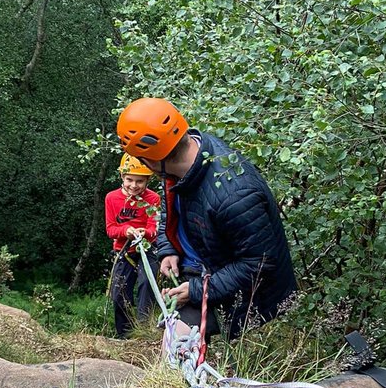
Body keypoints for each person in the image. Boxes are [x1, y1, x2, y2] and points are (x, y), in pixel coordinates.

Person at [116, 97, 296, 340]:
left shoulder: (234, 196)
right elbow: (172, 205)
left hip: (240, 288)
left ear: (155, 159)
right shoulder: (189, 156)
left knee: (175, 342)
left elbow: (260, 263)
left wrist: (197, 290)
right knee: (176, 338)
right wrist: (168, 249)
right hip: (204, 266)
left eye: (141, 159)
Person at [104, 154, 160, 338]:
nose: (134, 185)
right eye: (129, 180)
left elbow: (154, 227)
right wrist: (126, 230)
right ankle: (125, 334)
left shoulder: (153, 199)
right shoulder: (111, 198)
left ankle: (144, 330)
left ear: (147, 180)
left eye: (140, 181)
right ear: (122, 177)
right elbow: (111, 229)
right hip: (124, 249)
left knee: (147, 283)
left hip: (147, 248)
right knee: (119, 293)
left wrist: (145, 232)